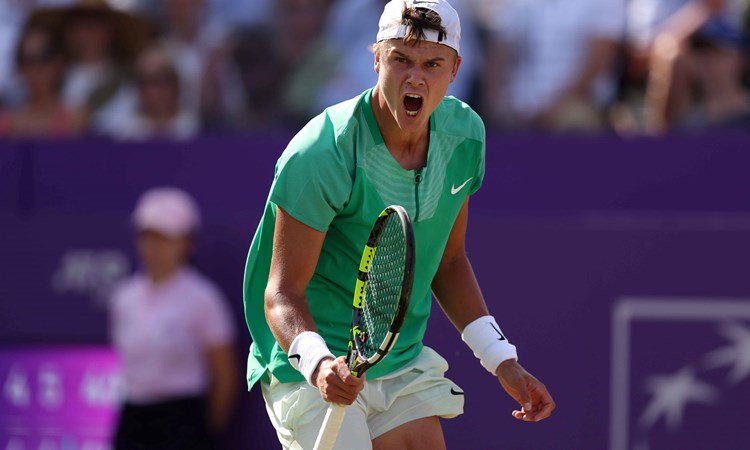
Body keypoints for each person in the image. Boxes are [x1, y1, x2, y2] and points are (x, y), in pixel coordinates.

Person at [242, 1, 555, 449]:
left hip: (397, 358)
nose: (415, 77)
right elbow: (281, 293)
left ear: (455, 70)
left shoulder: (464, 137)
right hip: (308, 360)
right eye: (400, 60)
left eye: (432, 64)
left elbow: (447, 262)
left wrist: (502, 360)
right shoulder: (323, 151)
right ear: (376, 60)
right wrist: (319, 364)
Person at [109, 187, 238, 449]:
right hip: (132, 419)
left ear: (187, 243)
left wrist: (203, 435)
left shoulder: (204, 299)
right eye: (147, 236)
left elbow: (225, 376)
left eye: (165, 238)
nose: (153, 247)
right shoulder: (124, 297)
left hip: (182, 421)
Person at [0, 20, 87, 138]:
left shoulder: (76, 119)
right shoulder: (5, 122)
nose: (36, 70)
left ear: (59, 61)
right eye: (27, 61)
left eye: (44, 57)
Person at [105, 45, 201, 141]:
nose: (159, 89)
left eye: (164, 80)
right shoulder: (125, 132)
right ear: (139, 89)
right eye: (150, 82)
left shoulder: (195, 127)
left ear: (177, 85)